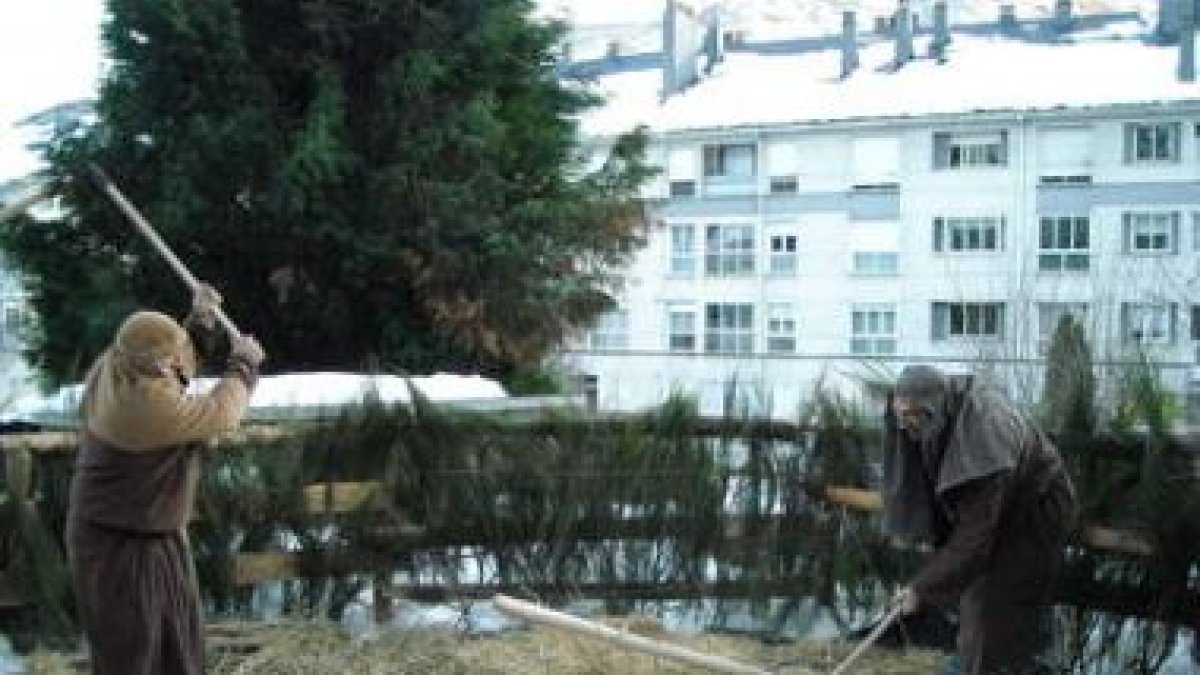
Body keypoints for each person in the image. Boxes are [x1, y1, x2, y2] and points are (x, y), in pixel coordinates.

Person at [66, 284, 265, 675]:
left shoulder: (119, 363)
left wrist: (201, 321)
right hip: (117, 545)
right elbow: (220, 413)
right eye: (172, 357)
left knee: (173, 643)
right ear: (157, 364)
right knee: (136, 650)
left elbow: (172, 361)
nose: (179, 363)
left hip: (145, 531)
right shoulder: (141, 407)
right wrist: (243, 365)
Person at [882, 364, 1077, 675]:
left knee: (991, 610)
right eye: (901, 416)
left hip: (1033, 511)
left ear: (937, 406)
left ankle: (985, 665)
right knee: (974, 607)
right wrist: (924, 582)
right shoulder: (930, 415)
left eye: (915, 416)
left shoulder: (987, 432)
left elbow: (974, 537)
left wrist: (921, 588)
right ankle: (976, 661)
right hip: (992, 510)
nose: (907, 426)